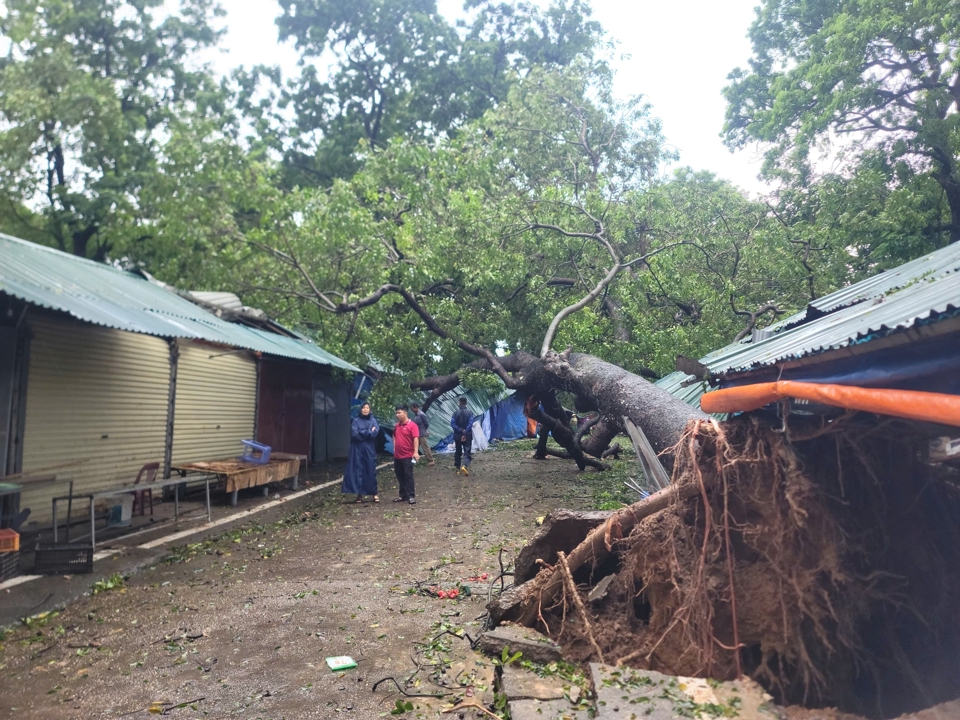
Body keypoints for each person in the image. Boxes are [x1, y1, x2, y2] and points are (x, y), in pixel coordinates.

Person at [341, 402, 380, 503]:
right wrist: (368, 432)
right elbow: (354, 434)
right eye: (363, 407)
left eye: (367, 408)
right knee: (357, 469)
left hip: (369, 448)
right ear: (361, 409)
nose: (365, 409)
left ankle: (374, 493)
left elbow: (375, 433)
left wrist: (362, 432)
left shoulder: (373, 421)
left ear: (370, 410)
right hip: (357, 449)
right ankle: (359, 495)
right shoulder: (356, 421)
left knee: (370, 469)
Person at [392, 405, 420, 504]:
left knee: (408, 476)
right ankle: (403, 495)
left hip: (408, 455)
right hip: (397, 456)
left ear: (405, 413)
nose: (397, 415)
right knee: (400, 476)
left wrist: (416, 452)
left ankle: (411, 495)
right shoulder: (396, 426)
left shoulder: (412, 425)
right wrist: (394, 447)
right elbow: (394, 436)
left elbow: (415, 438)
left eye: (399, 413)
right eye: (396, 413)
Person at [451, 396, 474, 476]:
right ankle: (464, 465)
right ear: (466, 403)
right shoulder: (470, 412)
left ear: (459, 403)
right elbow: (470, 423)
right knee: (467, 451)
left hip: (458, 435)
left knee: (458, 451)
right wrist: (465, 431)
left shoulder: (455, 413)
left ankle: (457, 468)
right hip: (467, 435)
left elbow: (453, 424)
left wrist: (460, 430)